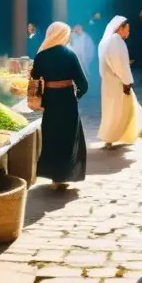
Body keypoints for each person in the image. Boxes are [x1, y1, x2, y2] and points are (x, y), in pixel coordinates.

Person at [32, 22, 88, 190]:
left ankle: (55, 178)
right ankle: (64, 176)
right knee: (68, 138)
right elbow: (83, 84)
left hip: (50, 102)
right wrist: (75, 96)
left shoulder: (41, 55)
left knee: (51, 137)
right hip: (67, 102)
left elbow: (34, 76)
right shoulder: (70, 54)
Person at [98, 16, 140, 148]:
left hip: (109, 82)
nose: (128, 32)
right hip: (118, 82)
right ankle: (111, 136)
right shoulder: (116, 40)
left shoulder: (108, 41)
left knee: (112, 109)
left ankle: (115, 136)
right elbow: (119, 65)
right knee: (120, 109)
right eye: (127, 29)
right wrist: (127, 81)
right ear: (120, 28)